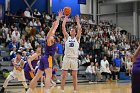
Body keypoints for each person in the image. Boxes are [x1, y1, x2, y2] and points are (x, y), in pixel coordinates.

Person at [26, 10, 63, 93]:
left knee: (36, 77)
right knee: (48, 76)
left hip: (43, 58)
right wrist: (53, 26)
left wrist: (59, 17)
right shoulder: (49, 40)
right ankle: (47, 91)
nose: (54, 35)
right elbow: (51, 32)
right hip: (48, 59)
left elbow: (55, 26)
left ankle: (28, 91)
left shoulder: (51, 38)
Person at [61, 15, 82, 93]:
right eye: (71, 30)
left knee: (74, 76)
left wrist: (78, 21)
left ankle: (75, 91)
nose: (71, 31)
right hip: (66, 58)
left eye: (73, 30)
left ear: (75, 32)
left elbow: (80, 29)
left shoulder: (77, 38)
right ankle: (62, 90)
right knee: (63, 75)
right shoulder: (67, 37)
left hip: (74, 58)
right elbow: (63, 27)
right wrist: (65, 18)